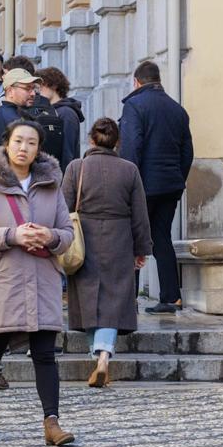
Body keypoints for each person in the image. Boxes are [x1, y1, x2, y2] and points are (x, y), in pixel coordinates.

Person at [0, 120, 75, 445]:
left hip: (42, 279)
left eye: (31, 142)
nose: (24, 147)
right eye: (18, 141)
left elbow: (67, 234)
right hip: (3, 279)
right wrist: (13, 235)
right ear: (6, 144)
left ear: (38, 148)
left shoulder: (52, 186)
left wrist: (50, 236)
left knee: (44, 353)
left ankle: (51, 423)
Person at [63, 118, 152, 387]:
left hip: (84, 238)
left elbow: (63, 207)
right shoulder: (129, 170)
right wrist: (141, 249)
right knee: (113, 298)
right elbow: (140, 214)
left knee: (90, 298)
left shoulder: (76, 168)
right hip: (119, 238)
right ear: (117, 142)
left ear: (91, 140)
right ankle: (104, 356)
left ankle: (97, 356)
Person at [119, 61, 194, 315]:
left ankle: (129, 300)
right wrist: (177, 179)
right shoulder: (177, 109)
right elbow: (187, 152)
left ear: (136, 82)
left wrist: (129, 184)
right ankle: (171, 297)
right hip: (170, 185)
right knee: (162, 237)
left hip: (143, 185)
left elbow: (131, 147)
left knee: (133, 239)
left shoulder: (134, 106)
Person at [36, 67, 83, 171]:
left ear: (54, 86)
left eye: (42, 86)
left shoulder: (67, 113)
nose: (39, 91)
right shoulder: (48, 110)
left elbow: (68, 151)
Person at [0, 68, 41, 143]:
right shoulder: (13, 120)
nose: (33, 94)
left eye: (33, 88)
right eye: (27, 88)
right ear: (10, 91)